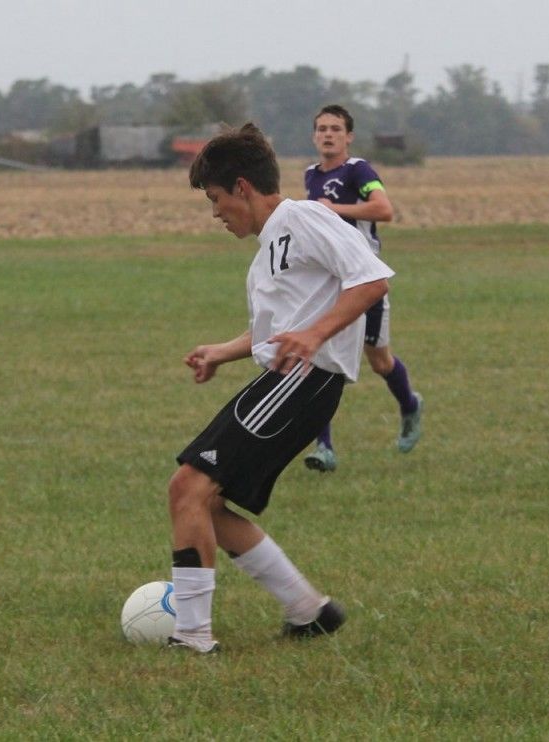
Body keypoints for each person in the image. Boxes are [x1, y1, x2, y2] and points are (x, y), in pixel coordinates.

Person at [167, 123, 394, 653]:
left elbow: (372, 278)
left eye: (217, 198)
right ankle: (309, 611)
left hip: (304, 382)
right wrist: (223, 350)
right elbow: (281, 329)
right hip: (289, 380)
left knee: (187, 488)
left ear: (243, 187)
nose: (216, 212)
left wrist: (316, 335)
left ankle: (193, 636)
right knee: (207, 504)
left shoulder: (305, 216)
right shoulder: (269, 248)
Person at [302, 104, 422, 473]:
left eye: (336, 128)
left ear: (348, 136)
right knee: (318, 358)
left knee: (379, 360)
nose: (328, 134)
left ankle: (410, 405)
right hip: (331, 283)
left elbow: (383, 209)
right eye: (322, 128)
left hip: (366, 280)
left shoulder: (359, 171)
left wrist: (333, 208)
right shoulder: (310, 176)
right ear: (314, 135)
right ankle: (324, 448)